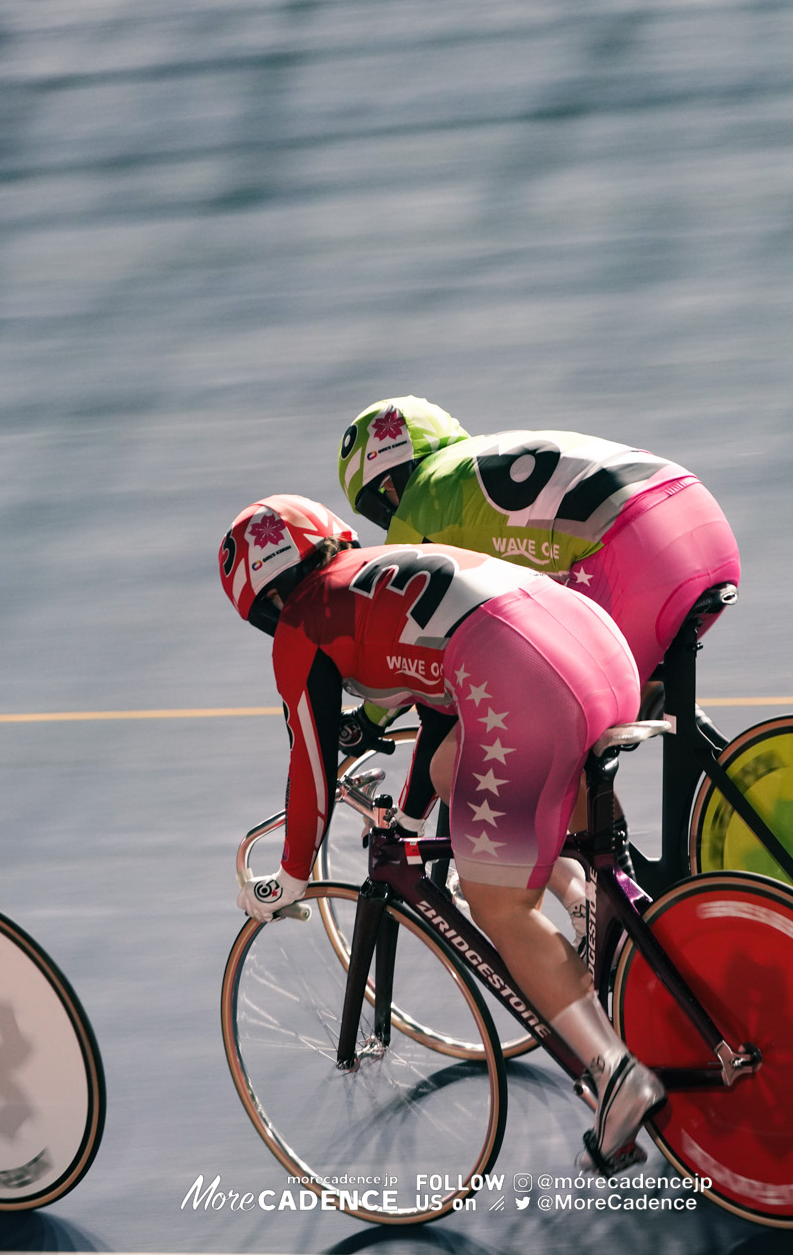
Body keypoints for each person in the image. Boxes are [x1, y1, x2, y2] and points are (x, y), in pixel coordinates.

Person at [219, 495, 661, 1170]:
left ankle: (613, 1072)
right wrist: (409, 817)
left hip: (526, 683)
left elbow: (310, 761)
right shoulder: (383, 566)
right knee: (462, 767)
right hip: (599, 650)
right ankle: (595, 908)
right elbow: (441, 716)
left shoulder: (304, 624)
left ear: (261, 603)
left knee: (497, 904)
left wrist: (293, 872)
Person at [337, 397, 741, 920]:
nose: (388, 521)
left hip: (632, 556)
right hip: (700, 521)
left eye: (378, 507)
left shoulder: (419, 509)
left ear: (390, 486)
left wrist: (367, 724)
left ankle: (620, 908)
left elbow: (426, 689)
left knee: (551, 736)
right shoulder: (474, 466)